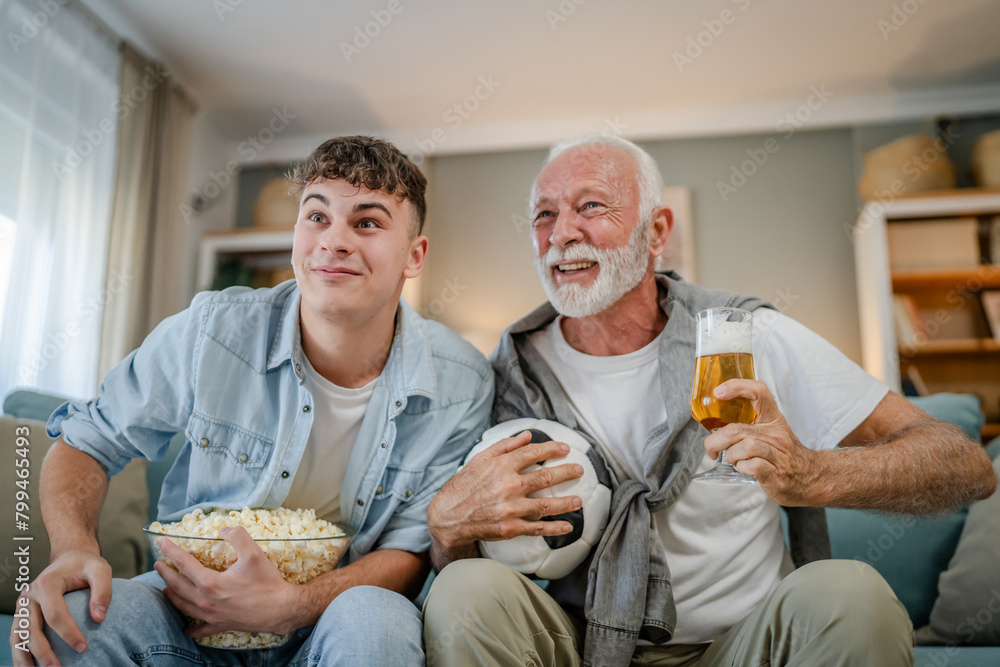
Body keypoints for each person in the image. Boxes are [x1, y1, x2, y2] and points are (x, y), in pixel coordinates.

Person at [423, 134, 997, 667]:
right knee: (463, 588)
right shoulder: (508, 370)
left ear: (656, 231)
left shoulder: (746, 335)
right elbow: (473, 563)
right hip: (576, 644)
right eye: (544, 214)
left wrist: (814, 474)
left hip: (742, 646)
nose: (562, 232)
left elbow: (964, 464)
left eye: (591, 206)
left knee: (852, 593)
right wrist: (449, 534)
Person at [11, 136, 493, 667]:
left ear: (414, 255)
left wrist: (292, 605)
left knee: (375, 621)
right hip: (187, 606)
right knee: (73, 620)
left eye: (368, 222)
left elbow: (411, 550)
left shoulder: (462, 383)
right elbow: (89, 440)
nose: (333, 241)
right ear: (295, 234)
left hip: (332, 618)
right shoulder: (211, 332)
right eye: (316, 216)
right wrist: (73, 548)